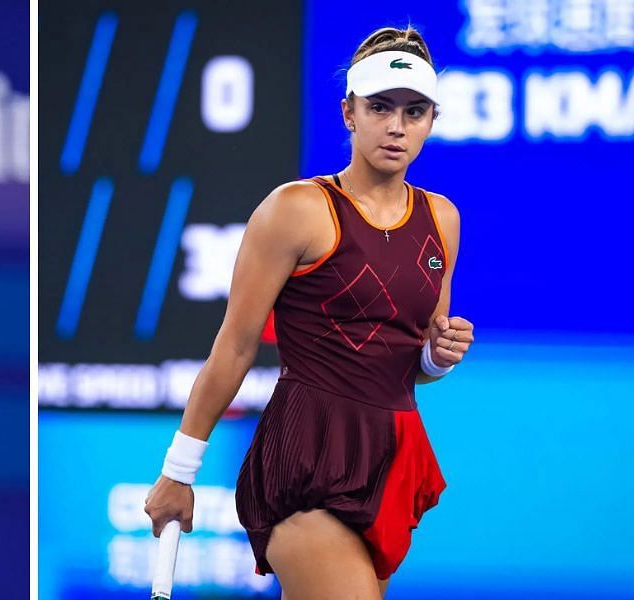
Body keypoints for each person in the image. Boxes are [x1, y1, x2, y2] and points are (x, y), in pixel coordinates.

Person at [143, 26, 473, 599]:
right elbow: (236, 347)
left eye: (414, 111)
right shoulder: (295, 210)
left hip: (392, 456)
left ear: (431, 121)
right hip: (307, 454)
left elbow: (413, 356)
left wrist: (438, 357)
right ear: (349, 113)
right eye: (380, 108)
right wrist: (179, 471)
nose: (396, 126)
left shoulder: (442, 219)